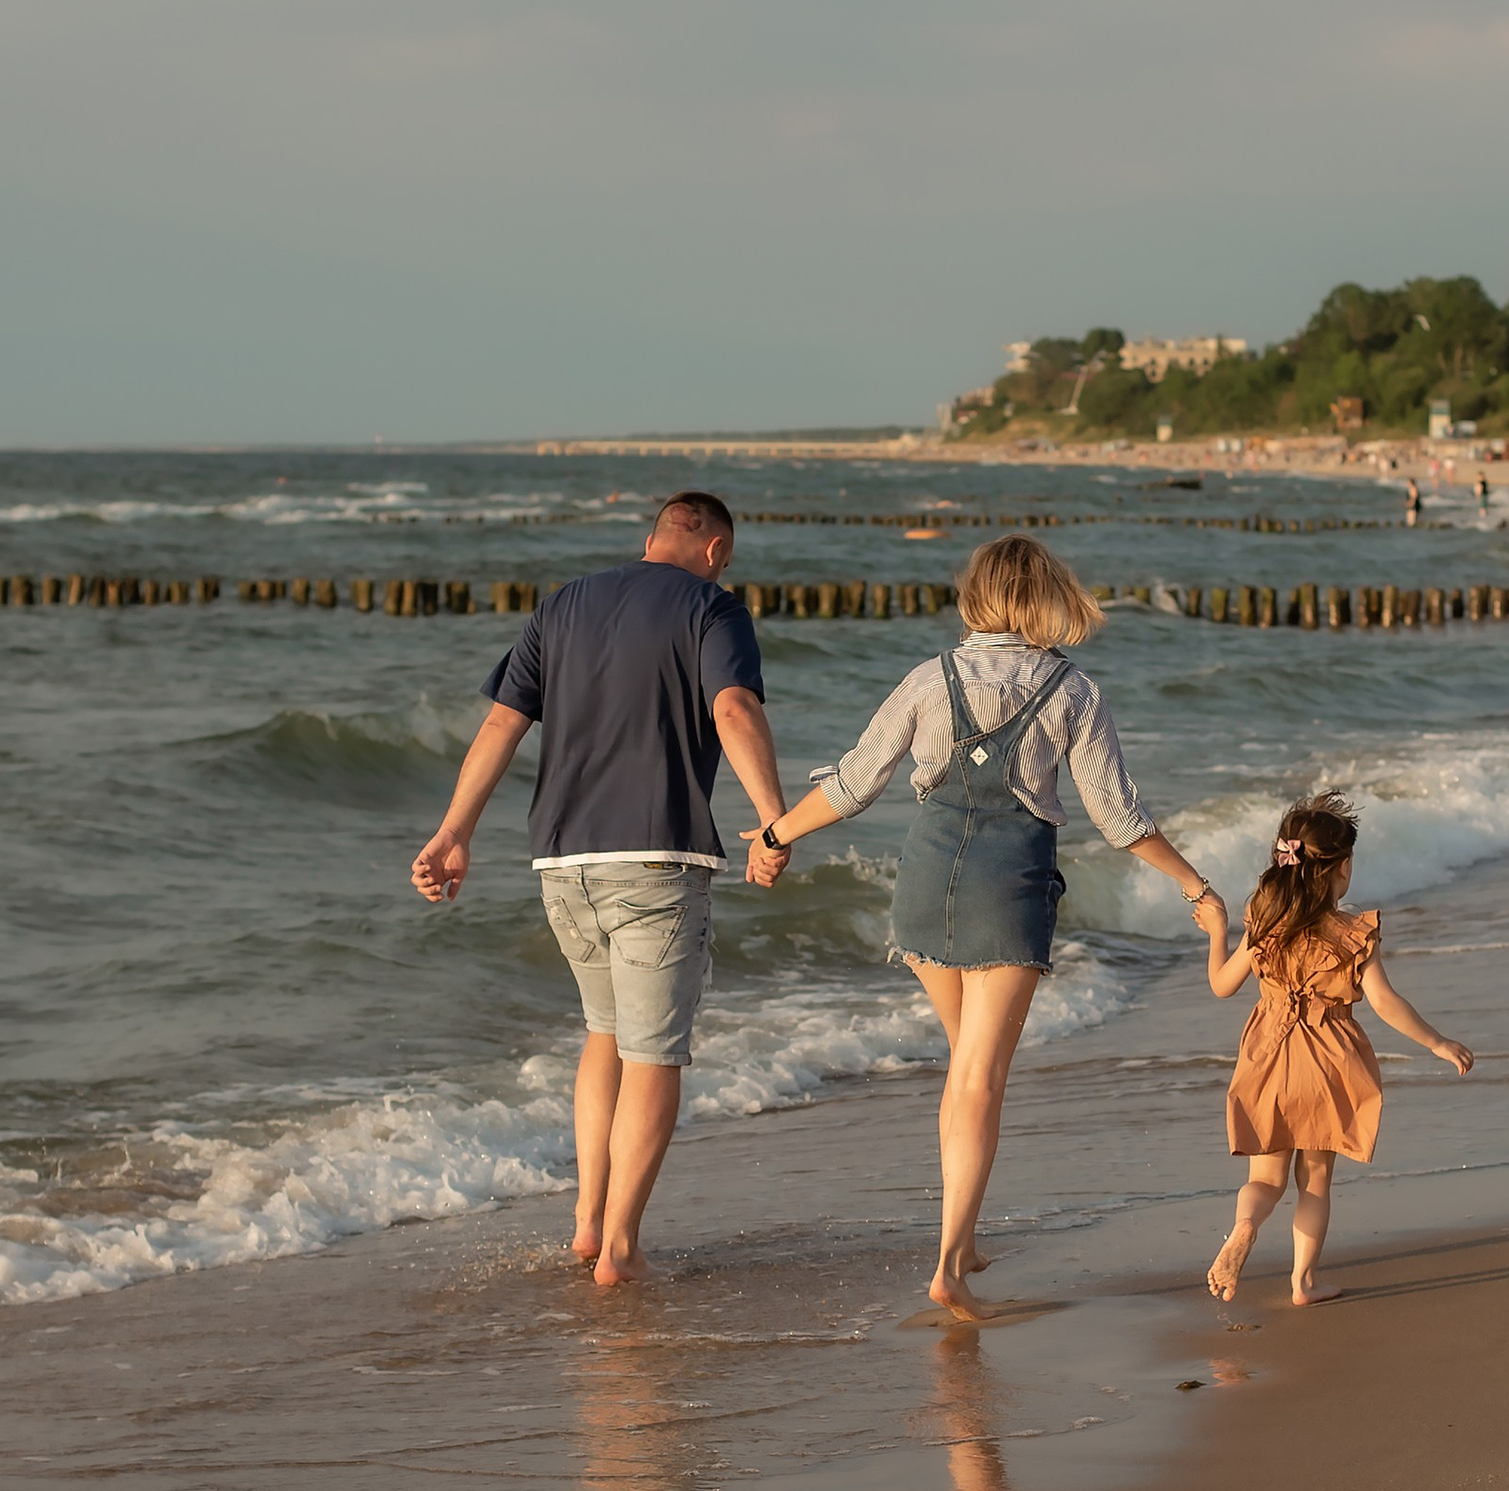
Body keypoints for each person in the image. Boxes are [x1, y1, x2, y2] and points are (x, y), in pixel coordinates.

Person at [746, 536, 1215, 1319]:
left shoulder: (930, 679)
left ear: (976, 597)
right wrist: (1195, 883)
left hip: (926, 884)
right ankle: (947, 1266)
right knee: (979, 1080)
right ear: (1046, 596)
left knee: (965, 1068)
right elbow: (1119, 818)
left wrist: (775, 836)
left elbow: (856, 785)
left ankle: (961, 1244)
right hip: (1011, 887)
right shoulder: (1073, 691)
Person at [410, 490, 789, 1290]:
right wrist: (774, 818)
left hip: (562, 863)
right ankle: (620, 1250)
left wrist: (453, 832)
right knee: (655, 1055)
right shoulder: (713, 609)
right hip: (655, 859)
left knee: (604, 1034)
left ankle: (587, 1221)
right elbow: (733, 706)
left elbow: (502, 724)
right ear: (715, 549)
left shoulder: (564, 604)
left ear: (650, 538)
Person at [1200, 794, 1472, 1306]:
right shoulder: (1352, 934)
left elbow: (1221, 985)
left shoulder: (1263, 922)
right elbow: (1387, 1003)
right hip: (1327, 1062)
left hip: (1268, 1057)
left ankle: (1243, 1229)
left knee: (1265, 1176)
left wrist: (1217, 933)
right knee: (1315, 1181)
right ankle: (1303, 1283)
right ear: (1341, 868)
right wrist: (1437, 1041)